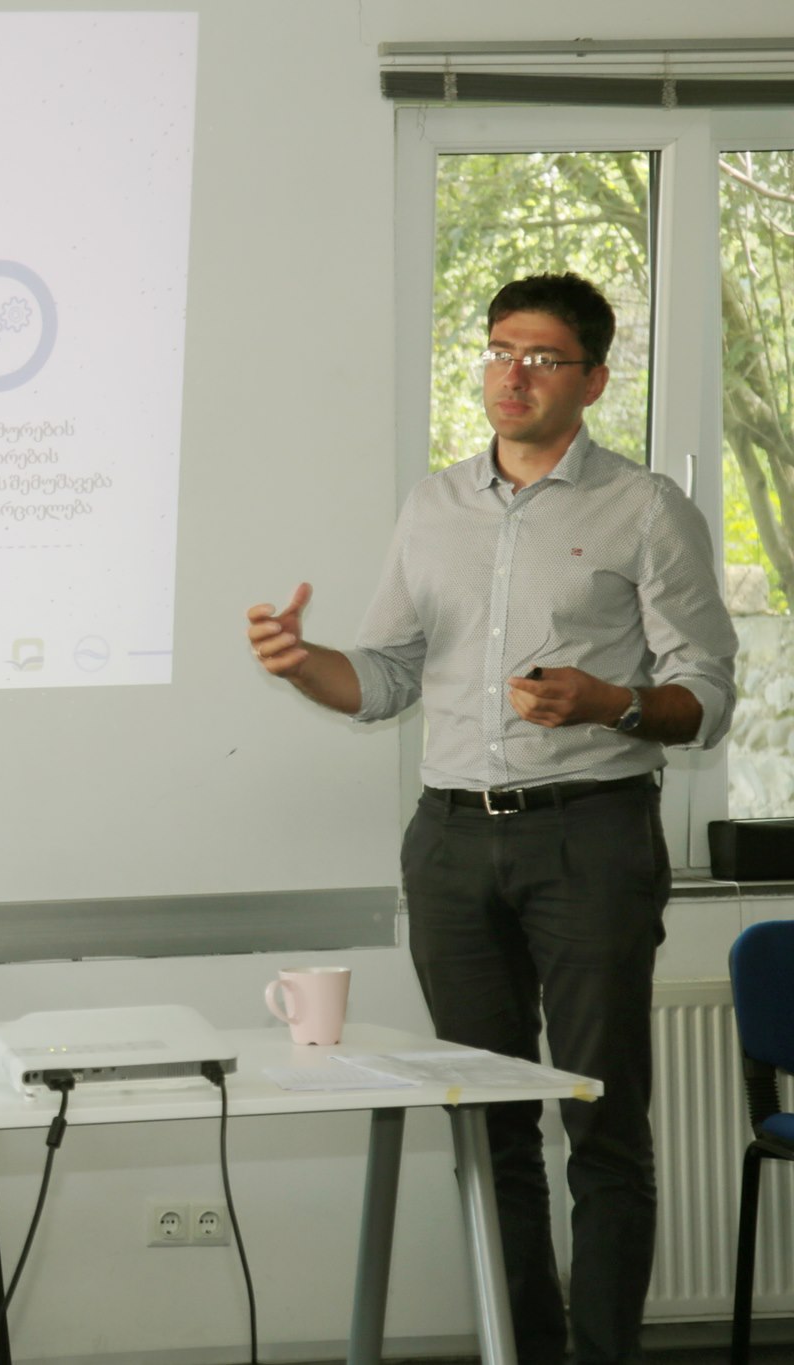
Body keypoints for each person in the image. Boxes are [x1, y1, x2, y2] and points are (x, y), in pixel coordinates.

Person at [246, 272, 736, 1365]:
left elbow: (705, 693)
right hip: (452, 842)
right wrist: (301, 664)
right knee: (485, 1117)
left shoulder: (646, 508)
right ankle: (524, 1351)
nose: (512, 374)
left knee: (600, 1120)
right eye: (498, 349)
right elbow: (383, 677)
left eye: (542, 357)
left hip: (590, 836)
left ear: (592, 381)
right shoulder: (432, 505)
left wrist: (607, 701)